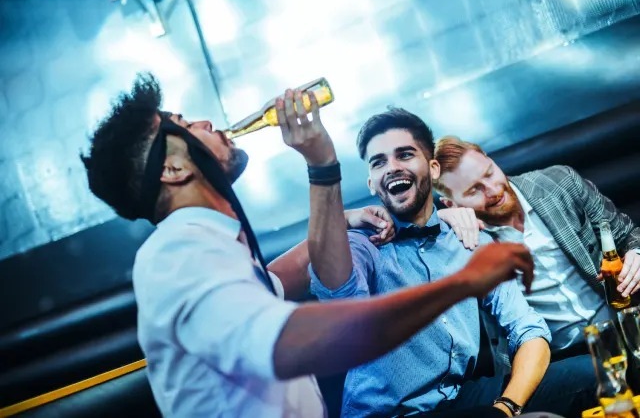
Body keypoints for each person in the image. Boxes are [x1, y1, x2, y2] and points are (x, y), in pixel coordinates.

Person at [80, 74, 539, 418]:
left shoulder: (214, 247)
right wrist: (461, 283)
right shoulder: (178, 256)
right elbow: (299, 339)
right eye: (184, 124)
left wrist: (332, 193)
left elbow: (280, 279)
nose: (205, 122)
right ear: (173, 170)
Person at [306, 107, 596, 417]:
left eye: (405, 155)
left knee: (593, 375)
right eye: (379, 162)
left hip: (459, 397)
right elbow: (338, 292)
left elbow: (527, 328)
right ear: (371, 184)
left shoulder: (469, 239)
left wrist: (507, 407)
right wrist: (324, 175)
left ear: (432, 168)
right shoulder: (362, 244)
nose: (392, 167)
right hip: (389, 414)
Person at [432, 135, 640, 359]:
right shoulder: (458, 242)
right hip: (559, 358)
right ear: (452, 204)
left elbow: (627, 234)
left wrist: (636, 253)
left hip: (624, 322)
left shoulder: (560, 181)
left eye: (489, 173)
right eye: (474, 190)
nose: (493, 191)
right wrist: (437, 219)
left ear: (490, 160)